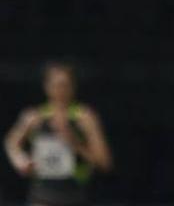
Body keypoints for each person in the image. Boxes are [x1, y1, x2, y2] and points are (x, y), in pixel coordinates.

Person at [4, 61, 113, 206]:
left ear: (73, 87)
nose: (60, 90)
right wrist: (20, 160)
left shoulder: (84, 117)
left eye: (65, 85)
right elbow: (11, 142)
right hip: (41, 197)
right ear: (46, 86)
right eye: (56, 85)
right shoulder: (34, 117)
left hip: (76, 197)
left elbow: (104, 163)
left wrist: (75, 143)